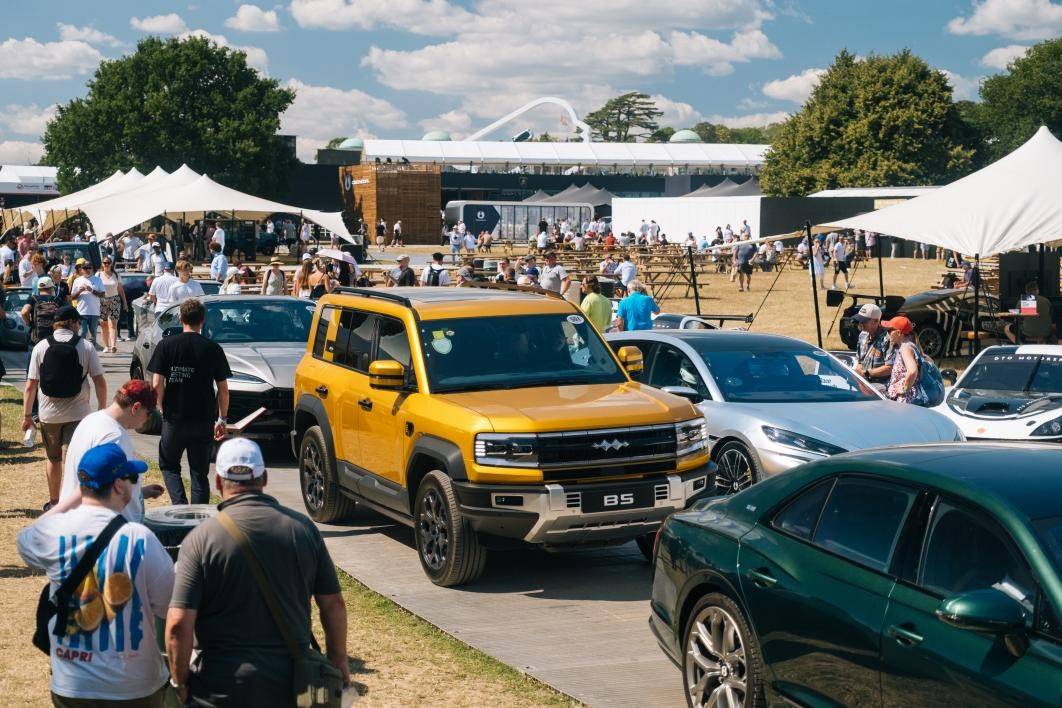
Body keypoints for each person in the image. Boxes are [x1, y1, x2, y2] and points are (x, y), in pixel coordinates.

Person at [166, 437, 348, 706]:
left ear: (218, 482)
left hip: (220, 688)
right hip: (290, 686)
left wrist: (179, 682)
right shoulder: (303, 530)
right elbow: (333, 605)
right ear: (264, 478)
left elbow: (179, 623)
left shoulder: (200, 539)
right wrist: (338, 661)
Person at [17, 442, 175, 708]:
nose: (134, 486)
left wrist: (76, 496)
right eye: (132, 478)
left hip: (72, 686)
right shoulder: (140, 538)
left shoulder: (55, 532)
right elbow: (170, 605)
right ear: (117, 485)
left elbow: (26, 539)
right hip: (133, 688)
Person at [22, 305, 107, 510]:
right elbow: (100, 382)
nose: (80, 326)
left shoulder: (41, 346)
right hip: (78, 413)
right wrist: (102, 410)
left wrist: (27, 415)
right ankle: (75, 502)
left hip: (49, 415)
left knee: (53, 459)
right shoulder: (85, 346)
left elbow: (31, 385)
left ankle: (54, 502)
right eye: (78, 322)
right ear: (72, 322)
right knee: (75, 458)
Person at [148, 299, 230, 505]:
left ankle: (179, 506)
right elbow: (223, 389)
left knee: (169, 465)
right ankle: (198, 516)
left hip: (174, 417)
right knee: (199, 472)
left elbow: (157, 382)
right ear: (202, 321)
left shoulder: (166, 345)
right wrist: (222, 418)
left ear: (180, 318)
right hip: (203, 418)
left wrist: (161, 408)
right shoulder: (213, 348)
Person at [46, 380, 164, 522]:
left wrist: (140, 492)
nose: (148, 419)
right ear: (136, 408)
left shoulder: (92, 419)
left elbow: (105, 481)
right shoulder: (114, 437)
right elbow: (107, 495)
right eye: (149, 413)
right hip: (102, 527)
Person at [852, 303, 894, 385]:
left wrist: (867, 373)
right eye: (860, 320)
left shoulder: (887, 338)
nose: (861, 323)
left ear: (876, 321)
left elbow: (890, 367)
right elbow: (860, 361)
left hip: (882, 387)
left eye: (864, 321)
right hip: (864, 384)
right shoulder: (862, 335)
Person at [882, 316, 922, 403]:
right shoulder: (910, 346)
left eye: (889, 330)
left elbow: (912, 371)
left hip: (904, 398)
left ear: (899, 332)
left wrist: (904, 390)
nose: (887, 333)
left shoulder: (905, 348)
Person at [21, 276, 62, 347]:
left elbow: (24, 312)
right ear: (51, 288)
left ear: (38, 288)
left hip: (36, 340)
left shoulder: (33, 299)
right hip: (53, 340)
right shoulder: (57, 300)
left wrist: (29, 323)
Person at [71, 261, 105, 348]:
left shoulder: (97, 280)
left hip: (94, 312)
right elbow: (72, 297)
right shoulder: (77, 280)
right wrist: (79, 291)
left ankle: (91, 353)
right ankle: (80, 351)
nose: (87, 270)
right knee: (82, 332)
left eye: (89, 268)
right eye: (85, 268)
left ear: (92, 269)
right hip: (82, 311)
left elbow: (103, 294)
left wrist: (92, 290)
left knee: (93, 335)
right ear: (81, 269)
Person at [97, 256, 127, 353]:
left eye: (108, 262)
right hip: (101, 301)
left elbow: (121, 290)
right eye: (105, 263)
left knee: (113, 324)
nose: (106, 264)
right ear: (102, 264)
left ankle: (113, 345)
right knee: (103, 324)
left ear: (111, 264)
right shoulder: (98, 275)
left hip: (114, 300)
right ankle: (106, 346)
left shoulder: (116, 275)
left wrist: (125, 303)